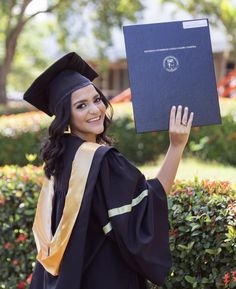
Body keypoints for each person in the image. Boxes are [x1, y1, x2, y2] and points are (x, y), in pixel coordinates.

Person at [23, 52, 194, 289]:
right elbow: (150, 202)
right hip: (108, 278)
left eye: (97, 99)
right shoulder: (101, 161)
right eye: (81, 105)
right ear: (65, 116)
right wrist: (177, 146)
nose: (95, 109)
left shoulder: (59, 159)